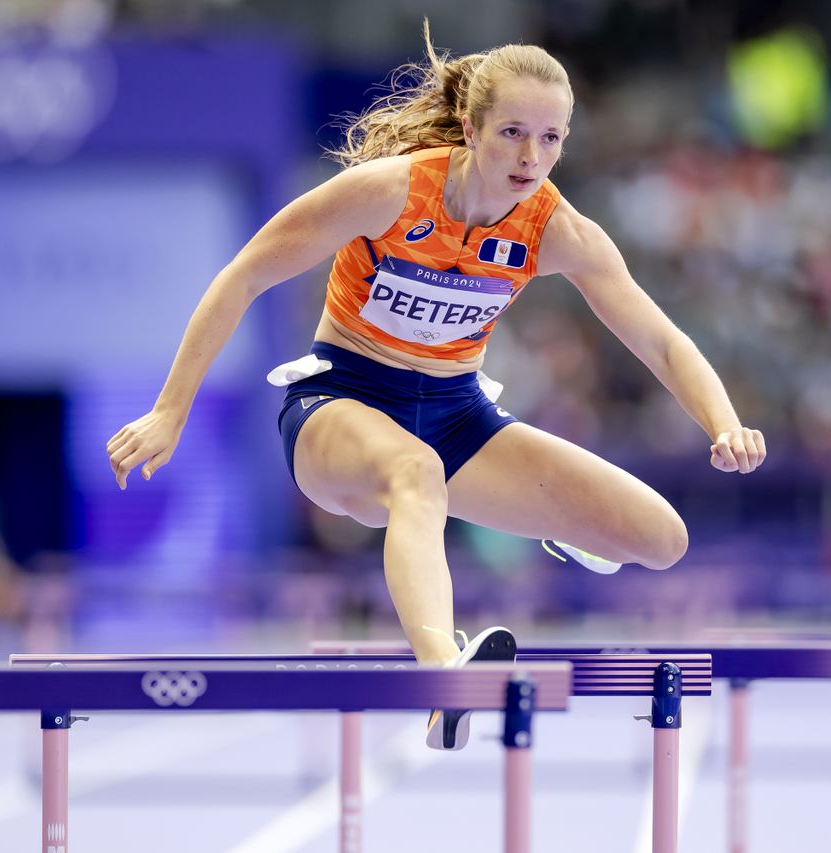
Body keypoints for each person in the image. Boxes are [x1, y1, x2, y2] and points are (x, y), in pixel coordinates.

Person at [106, 24, 766, 749]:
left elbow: (662, 341)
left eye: (550, 139)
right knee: (414, 472)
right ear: (471, 129)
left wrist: (722, 422)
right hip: (342, 402)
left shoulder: (558, 230)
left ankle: (556, 530)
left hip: (457, 416)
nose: (530, 157)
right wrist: (170, 410)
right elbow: (244, 275)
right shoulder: (389, 192)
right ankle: (442, 680)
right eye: (512, 133)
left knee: (661, 538)